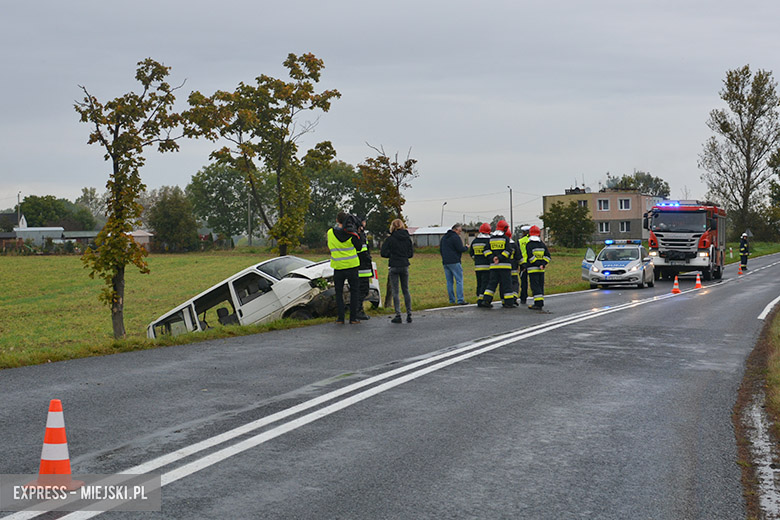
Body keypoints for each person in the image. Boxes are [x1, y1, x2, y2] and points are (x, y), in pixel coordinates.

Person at [327, 211, 363, 324]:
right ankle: (353, 318)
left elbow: (329, 245)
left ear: (337, 220)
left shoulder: (330, 233)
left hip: (338, 267)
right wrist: (358, 232)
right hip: (352, 266)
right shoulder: (352, 234)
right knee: (354, 292)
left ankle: (340, 318)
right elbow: (359, 248)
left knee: (338, 293)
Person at [381, 218, 414, 323]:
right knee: (406, 290)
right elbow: (411, 254)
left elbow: (383, 253)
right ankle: (409, 314)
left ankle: (398, 315)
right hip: (404, 264)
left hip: (394, 265)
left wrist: (391, 255)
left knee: (395, 291)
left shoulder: (390, 239)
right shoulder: (407, 238)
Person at [479, 220, 516, 308]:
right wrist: (500, 257)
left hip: (493, 266)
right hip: (505, 266)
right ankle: (508, 302)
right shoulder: (505, 239)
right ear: (505, 228)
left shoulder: (490, 239)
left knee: (491, 284)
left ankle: (486, 300)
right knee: (506, 285)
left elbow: (486, 250)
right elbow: (508, 251)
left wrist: (492, 258)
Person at [440, 223, 469, 305]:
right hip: (455, 261)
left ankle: (451, 300)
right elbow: (460, 249)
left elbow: (441, 250)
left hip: (445, 262)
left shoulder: (444, 237)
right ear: (455, 230)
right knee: (459, 280)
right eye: (459, 231)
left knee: (449, 282)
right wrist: (466, 247)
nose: (460, 233)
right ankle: (460, 299)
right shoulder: (455, 237)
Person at [525, 225, 551, 310]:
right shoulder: (542, 244)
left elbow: (530, 257)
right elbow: (548, 256)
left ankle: (538, 303)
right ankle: (540, 302)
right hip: (541, 270)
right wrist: (543, 264)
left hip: (533, 269)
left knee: (535, 286)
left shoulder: (529, 244)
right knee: (540, 286)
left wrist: (538, 263)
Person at [469, 222, 492, 306]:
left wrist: (477, 260)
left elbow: (471, 253)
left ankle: (479, 297)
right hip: (487, 266)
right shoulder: (488, 240)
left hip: (477, 266)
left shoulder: (475, 241)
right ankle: (482, 299)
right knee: (485, 283)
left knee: (479, 283)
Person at [355, 216, 373, 320]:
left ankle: (358, 310)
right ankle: (359, 311)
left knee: (359, 290)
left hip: (358, 267)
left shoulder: (357, 234)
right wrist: (368, 260)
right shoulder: (360, 235)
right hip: (363, 268)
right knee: (363, 290)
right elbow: (363, 251)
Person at [517, 225, 531, 305]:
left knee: (523, 282)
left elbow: (518, 253)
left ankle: (523, 297)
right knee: (534, 282)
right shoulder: (533, 240)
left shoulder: (520, 241)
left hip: (523, 264)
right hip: (532, 263)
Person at [506, 230, 520, 307]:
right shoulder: (514, 245)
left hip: (504, 268)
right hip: (514, 267)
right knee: (515, 283)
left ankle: (506, 300)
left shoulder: (503, 243)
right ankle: (514, 297)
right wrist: (523, 265)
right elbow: (518, 256)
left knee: (505, 284)